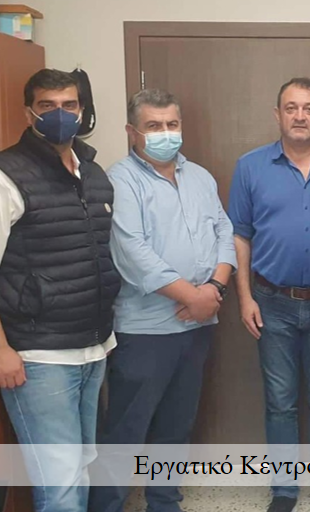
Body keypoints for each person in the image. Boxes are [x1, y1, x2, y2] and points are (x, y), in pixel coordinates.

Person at [0, 68, 121, 512]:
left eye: (69, 105)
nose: (59, 114)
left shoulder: (93, 173)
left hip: (93, 346)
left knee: (80, 468)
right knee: (59, 485)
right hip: (39, 357)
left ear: (82, 111)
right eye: (48, 106)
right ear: (29, 113)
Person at [88, 89, 236, 512]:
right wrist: (195, 297)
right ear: (132, 131)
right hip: (145, 331)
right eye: (153, 126)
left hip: (196, 328)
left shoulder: (201, 178)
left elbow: (224, 232)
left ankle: (164, 503)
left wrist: (215, 290)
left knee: (176, 427)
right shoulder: (120, 180)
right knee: (126, 431)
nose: (165, 133)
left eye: (172, 124)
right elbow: (132, 253)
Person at [228, 77, 310, 512]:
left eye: (308, 108)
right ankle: (284, 490)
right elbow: (240, 235)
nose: (300, 116)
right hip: (271, 302)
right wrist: (245, 298)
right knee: (280, 402)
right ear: (277, 114)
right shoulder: (250, 167)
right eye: (291, 108)